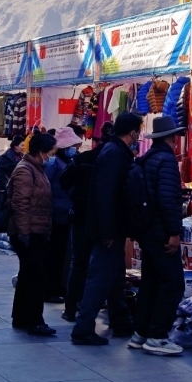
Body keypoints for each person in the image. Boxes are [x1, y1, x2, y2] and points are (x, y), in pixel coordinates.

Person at [71, 112, 143, 346]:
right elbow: (105, 196)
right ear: (132, 132)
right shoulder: (113, 154)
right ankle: (83, 328)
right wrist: (107, 232)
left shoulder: (116, 151)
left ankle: (121, 321)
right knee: (100, 278)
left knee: (115, 277)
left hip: (112, 228)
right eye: (138, 131)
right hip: (108, 230)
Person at [129, 116, 185, 356]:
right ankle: (158, 336)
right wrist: (174, 231)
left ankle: (141, 333)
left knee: (150, 283)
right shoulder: (167, 160)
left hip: (147, 231)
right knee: (173, 283)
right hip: (161, 232)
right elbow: (167, 199)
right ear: (172, 138)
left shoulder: (147, 159)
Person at [60, 121, 114, 322]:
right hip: (101, 219)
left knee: (78, 263)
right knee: (98, 265)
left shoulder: (83, 158)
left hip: (80, 215)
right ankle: (86, 307)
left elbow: (64, 180)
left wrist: (76, 196)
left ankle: (70, 308)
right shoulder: (113, 159)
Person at [8, 131, 58, 336]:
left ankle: (21, 317)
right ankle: (35, 321)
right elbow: (20, 203)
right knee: (35, 276)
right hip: (28, 232)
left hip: (36, 230)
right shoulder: (25, 170)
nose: (52, 157)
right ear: (42, 152)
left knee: (28, 275)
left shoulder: (36, 169)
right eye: (51, 153)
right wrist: (24, 233)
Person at [43, 127, 82, 303]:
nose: (75, 149)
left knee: (63, 254)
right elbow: (46, 188)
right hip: (55, 215)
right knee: (55, 254)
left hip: (66, 214)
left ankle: (59, 287)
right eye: (72, 146)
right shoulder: (53, 164)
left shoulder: (69, 162)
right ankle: (51, 289)